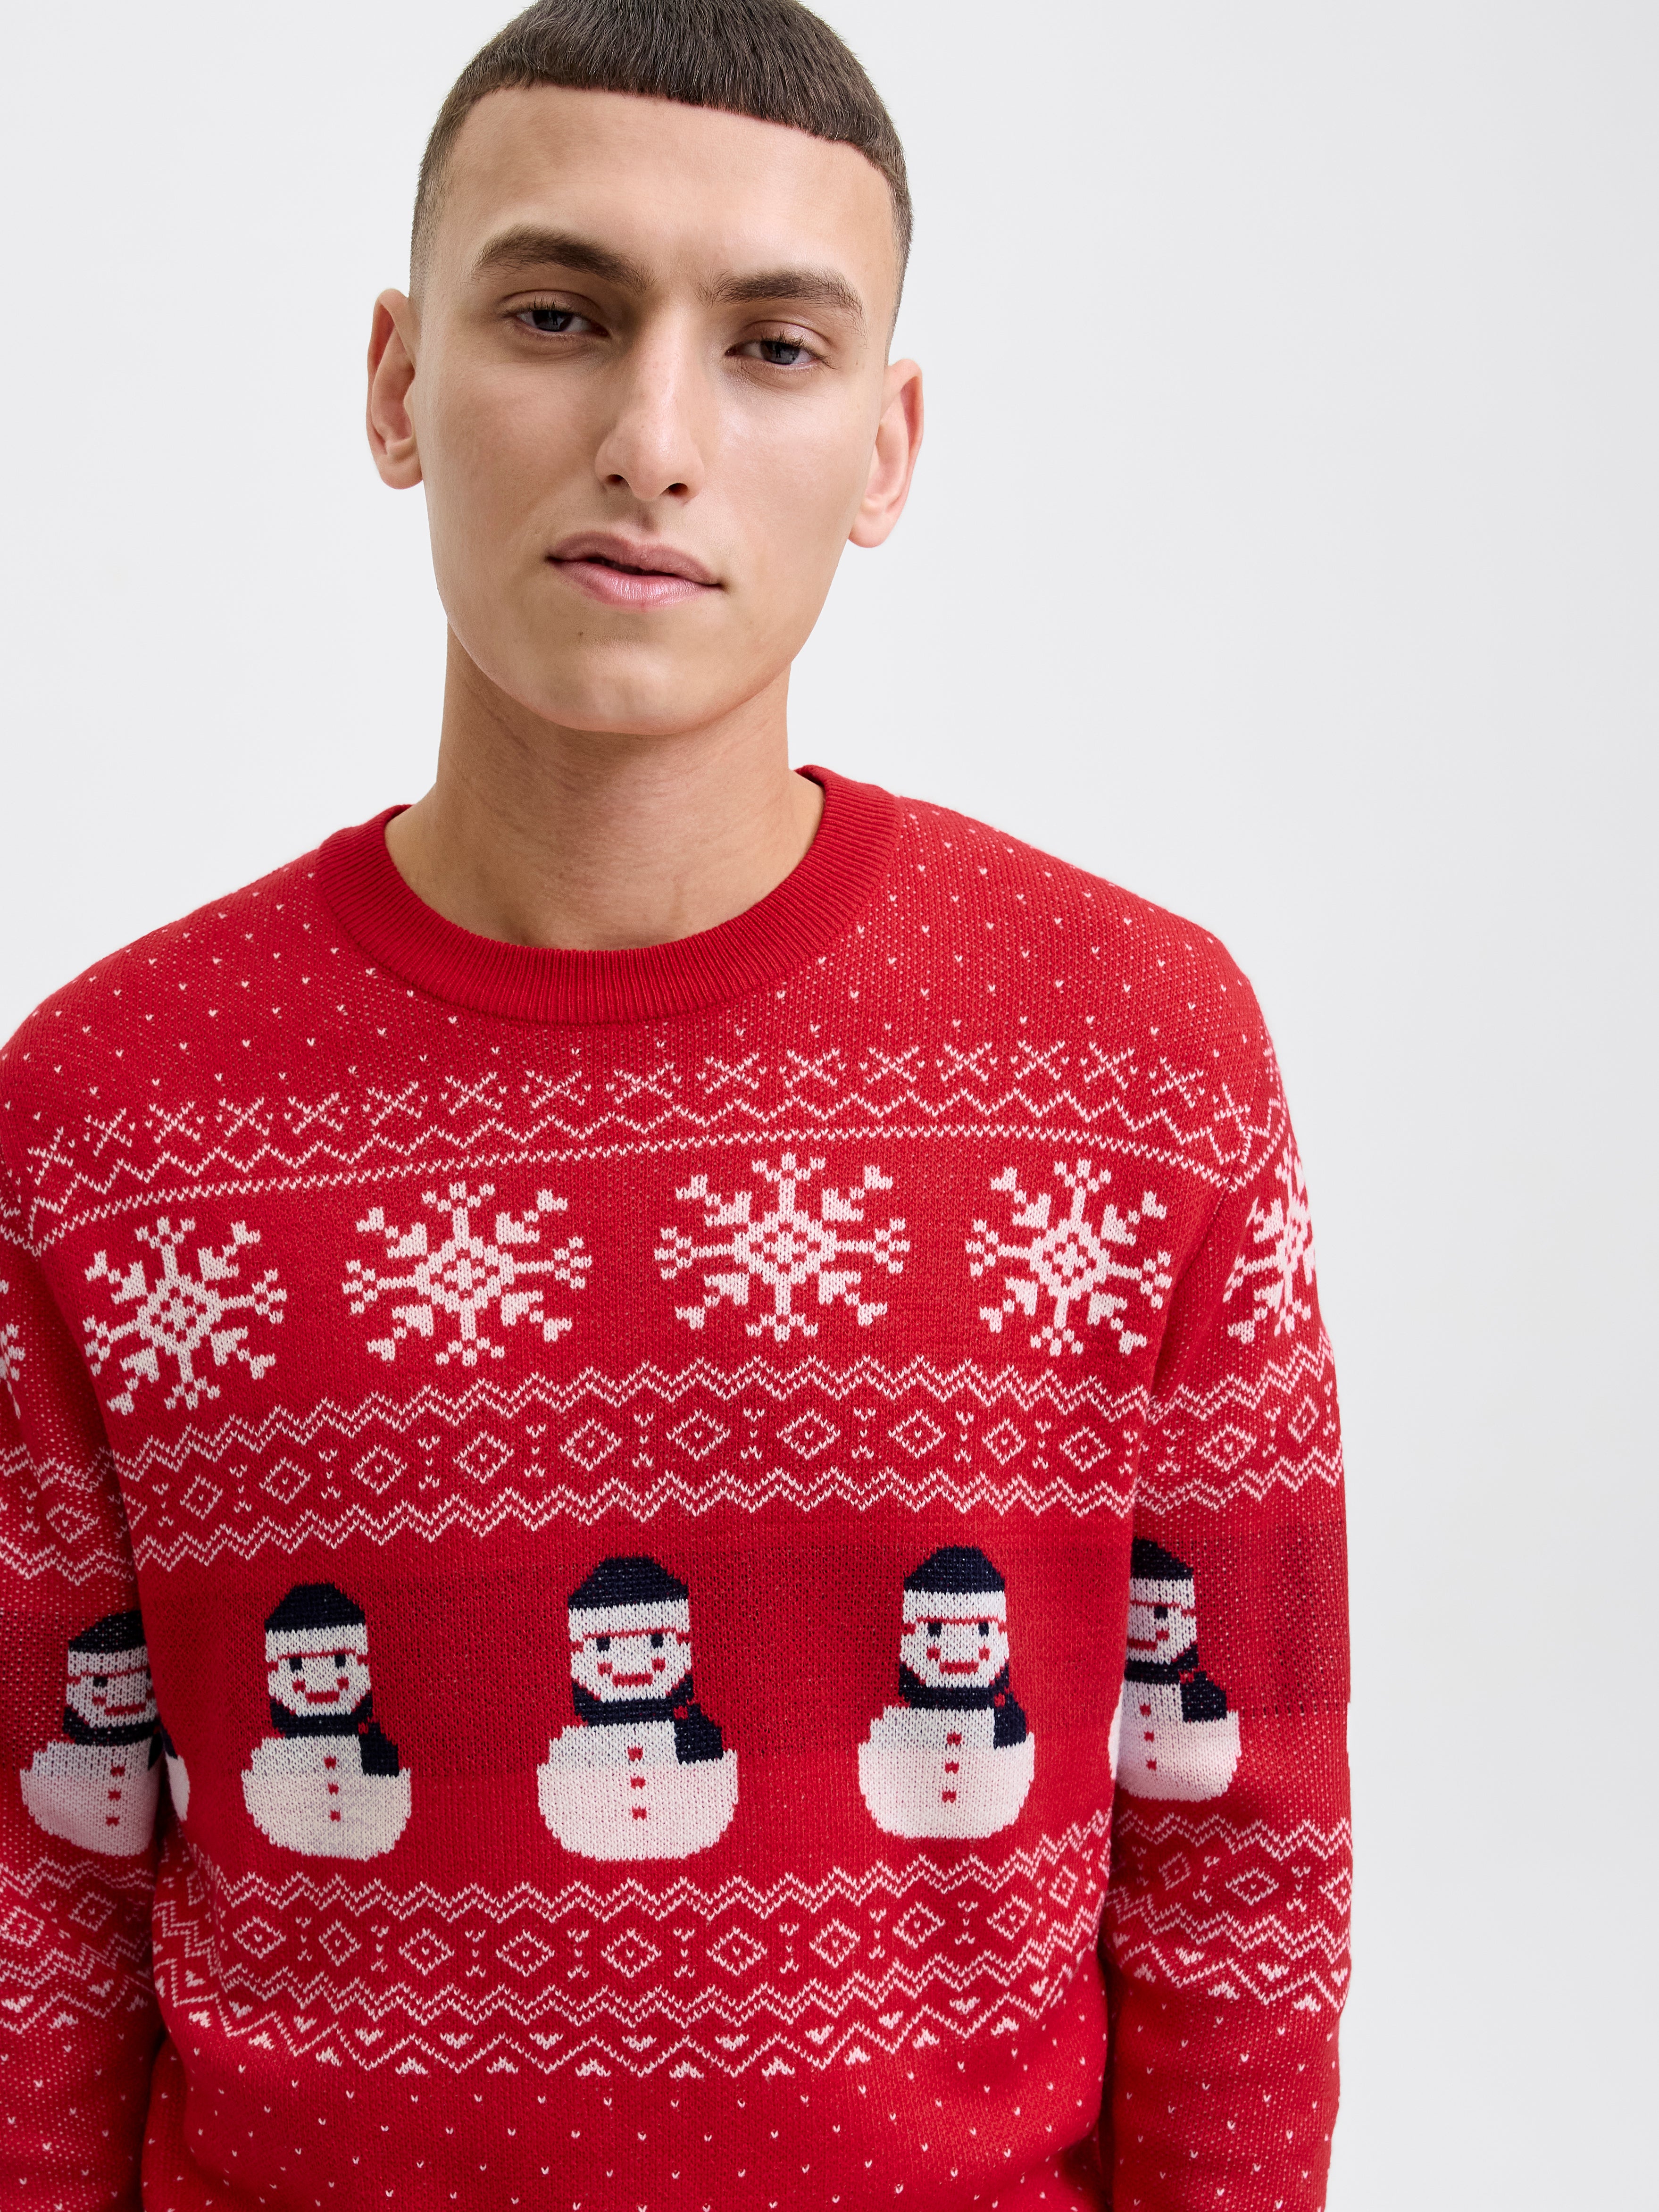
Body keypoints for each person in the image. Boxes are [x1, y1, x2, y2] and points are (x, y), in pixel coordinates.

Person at [0, 1, 1351, 2204]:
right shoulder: (101, 1115)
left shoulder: (1138, 1065)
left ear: (886, 450)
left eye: (772, 348)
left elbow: (1240, 1850)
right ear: (395, 383)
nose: (652, 439)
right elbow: (35, 1903)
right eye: (558, 314)